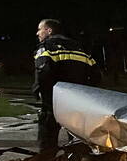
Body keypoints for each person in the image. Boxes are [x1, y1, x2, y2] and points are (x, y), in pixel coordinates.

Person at [32, 19, 100, 149]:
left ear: (49, 30)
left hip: (54, 103)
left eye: (40, 29)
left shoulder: (46, 47)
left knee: (47, 143)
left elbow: (43, 72)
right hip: (79, 103)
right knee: (79, 142)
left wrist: (41, 95)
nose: (37, 33)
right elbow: (96, 76)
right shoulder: (80, 49)